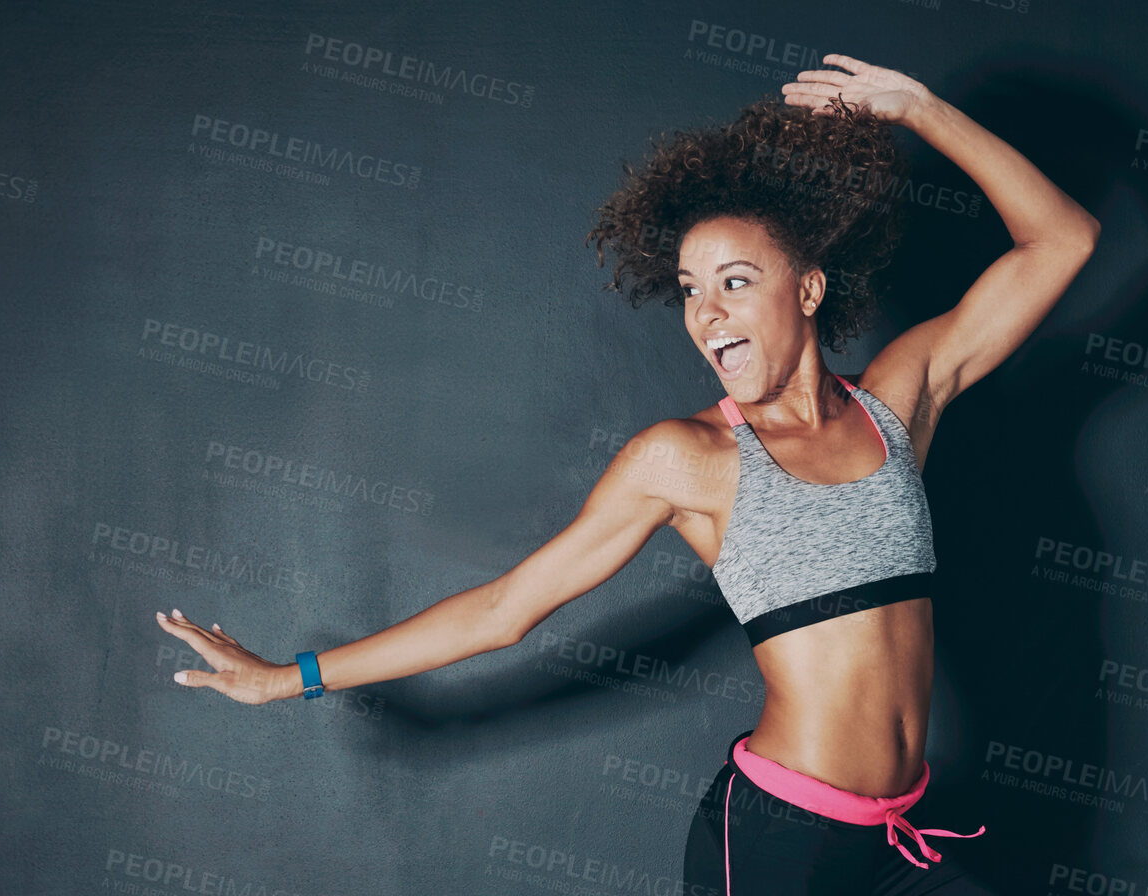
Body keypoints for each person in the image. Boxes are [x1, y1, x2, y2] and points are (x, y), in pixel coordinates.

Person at [156, 53, 1098, 895]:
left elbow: (1062, 241)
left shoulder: (899, 402)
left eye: (735, 280)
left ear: (807, 289)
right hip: (776, 842)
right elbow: (504, 609)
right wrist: (292, 679)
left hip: (901, 835)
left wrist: (920, 110)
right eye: (690, 289)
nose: (707, 313)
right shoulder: (687, 459)